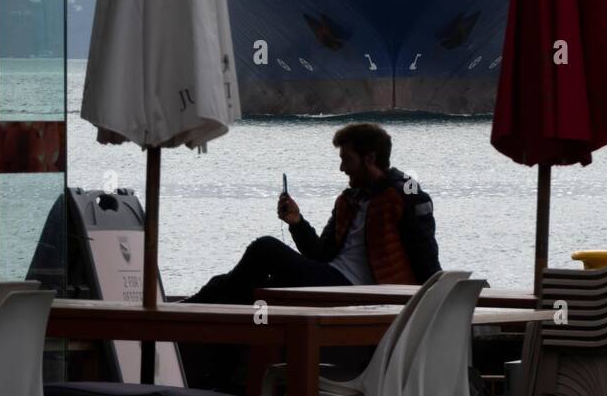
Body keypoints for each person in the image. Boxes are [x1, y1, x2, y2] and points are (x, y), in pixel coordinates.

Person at [183, 122, 440, 307]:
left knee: (265, 248)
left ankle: (190, 310)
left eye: (347, 159)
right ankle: (194, 318)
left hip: (360, 291)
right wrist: (297, 222)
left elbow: (426, 257)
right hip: (332, 280)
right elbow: (320, 254)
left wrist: (433, 305)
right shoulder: (347, 201)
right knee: (252, 285)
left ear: (370, 158)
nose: (341, 168)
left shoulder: (405, 196)